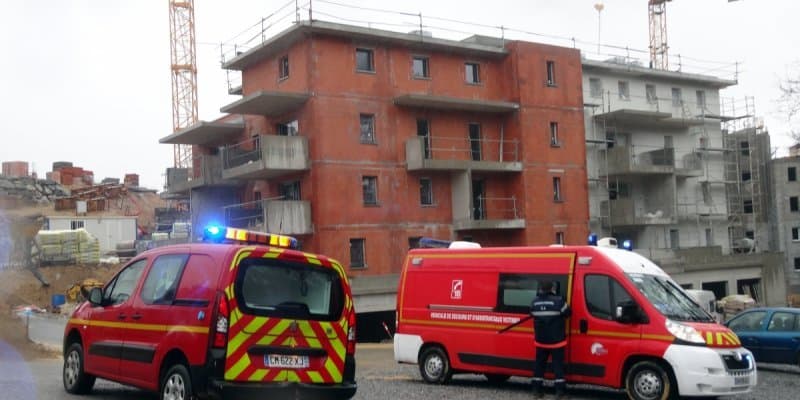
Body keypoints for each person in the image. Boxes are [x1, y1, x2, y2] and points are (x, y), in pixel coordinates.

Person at [530, 280, 571, 399]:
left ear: (541, 289)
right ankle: (559, 392)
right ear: (552, 288)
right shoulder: (558, 301)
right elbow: (568, 313)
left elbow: (532, 313)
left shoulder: (534, 302)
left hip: (541, 341)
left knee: (539, 366)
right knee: (558, 366)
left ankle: (536, 390)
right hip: (556, 342)